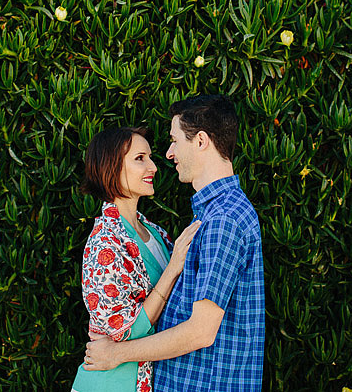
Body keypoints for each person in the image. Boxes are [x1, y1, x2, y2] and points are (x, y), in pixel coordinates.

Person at [84, 95, 265, 392]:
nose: (168, 154)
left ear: (201, 141)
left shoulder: (223, 220)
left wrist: (115, 353)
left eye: (174, 140)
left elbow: (200, 332)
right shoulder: (210, 216)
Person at [72, 126, 201, 392]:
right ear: (112, 167)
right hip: (110, 384)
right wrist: (173, 266)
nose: (153, 167)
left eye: (150, 158)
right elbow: (124, 332)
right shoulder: (104, 243)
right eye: (140, 158)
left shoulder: (154, 232)